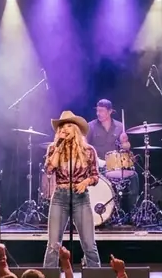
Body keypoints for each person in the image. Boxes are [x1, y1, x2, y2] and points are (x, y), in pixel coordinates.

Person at [42, 111, 101, 268]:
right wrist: (59, 146)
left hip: (80, 198)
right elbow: (49, 169)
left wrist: (86, 181)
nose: (65, 129)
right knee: (53, 245)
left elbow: (95, 176)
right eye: (63, 126)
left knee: (89, 244)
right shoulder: (54, 149)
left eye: (69, 125)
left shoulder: (88, 151)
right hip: (60, 197)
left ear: (76, 129)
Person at [88, 99, 139, 213]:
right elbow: (85, 147)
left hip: (114, 165)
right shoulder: (90, 126)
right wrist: (96, 160)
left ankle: (131, 212)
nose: (98, 113)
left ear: (110, 111)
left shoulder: (120, 126)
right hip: (97, 165)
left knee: (133, 176)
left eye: (101, 111)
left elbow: (126, 147)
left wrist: (125, 143)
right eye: (97, 111)